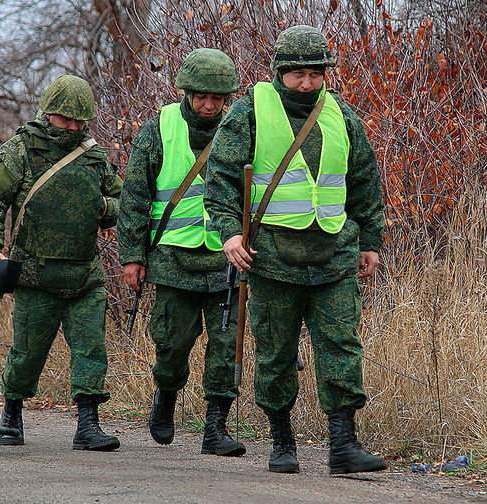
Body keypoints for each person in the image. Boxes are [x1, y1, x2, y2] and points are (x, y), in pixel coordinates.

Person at [204, 26, 387, 474]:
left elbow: (363, 182)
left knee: (342, 347)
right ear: (278, 73)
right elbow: (222, 180)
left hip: (334, 255)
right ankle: (282, 443)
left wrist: (370, 243)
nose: (306, 83)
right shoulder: (248, 111)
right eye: (297, 74)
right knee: (275, 353)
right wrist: (230, 234)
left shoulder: (342, 115)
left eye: (315, 73)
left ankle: (344, 446)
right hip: (271, 259)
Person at [0, 75, 123, 451]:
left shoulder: (92, 154)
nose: (72, 128)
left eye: (78, 121)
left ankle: (88, 425)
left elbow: (125, 201)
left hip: (84, 276)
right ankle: (12, 417)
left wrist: (105, 207)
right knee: (26, 353)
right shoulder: (21, 150)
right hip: (34, 276)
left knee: (91, 349)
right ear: (48, 113)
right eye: (64, 119)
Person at [117, 48, 245, 457]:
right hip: (173, 260)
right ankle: (166, 396)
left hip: (228, 259)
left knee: (227, 345)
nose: (209, 106)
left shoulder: (242, 129)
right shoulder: (159, 129)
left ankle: (215, 429)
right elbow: (135, 197)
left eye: (218, 98)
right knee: (172, 345)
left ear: (228, 97)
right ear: (186, 92)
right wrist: (132, 256)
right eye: (201, 97)